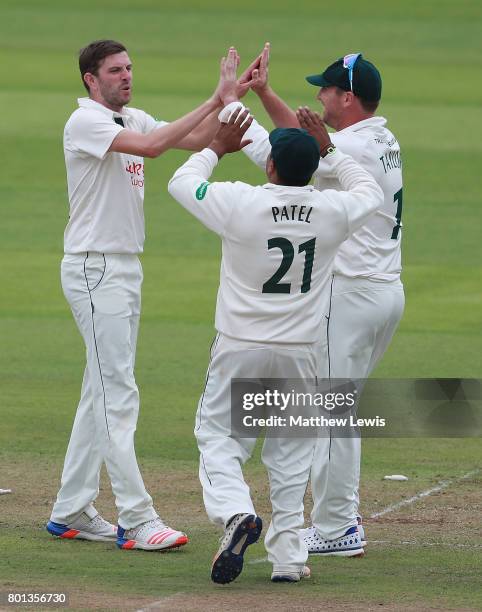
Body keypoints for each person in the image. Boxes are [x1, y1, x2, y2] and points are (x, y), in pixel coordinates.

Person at [168, 74, 384, 583]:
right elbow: (369, 190)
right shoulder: (332, 211)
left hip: (239, 346)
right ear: (311, 170)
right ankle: (288, 560)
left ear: (268, 164)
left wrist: (216, 149)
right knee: (290, 454)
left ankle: (236, 510)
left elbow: (181, 183)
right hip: (301, 352)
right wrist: (331, 150)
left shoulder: (240, 202)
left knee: (218, 437)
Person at [47, 39, 239, 551]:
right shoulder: (85, 122)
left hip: (122, 268)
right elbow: (156, 148)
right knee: (118, 393)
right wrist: (214, 99)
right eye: (115, 70)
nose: (126, 76)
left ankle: (70, 510)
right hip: (94, 268)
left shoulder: (133, 117)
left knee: (100, 389)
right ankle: (136, 518)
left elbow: (193, 136)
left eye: (129, 68)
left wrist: (234, 107)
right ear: (91, 79)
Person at [238, 45, 405, 555]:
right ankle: (339, 518)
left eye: (326, 90)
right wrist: (266, 93)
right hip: (383, 294)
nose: (318, 96)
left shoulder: (345, 151)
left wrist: (239, 110)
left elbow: (290, 150)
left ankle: (336, 526)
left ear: (348, 98)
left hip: (352, 295)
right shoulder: (379, 137)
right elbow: (305, 139)